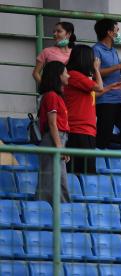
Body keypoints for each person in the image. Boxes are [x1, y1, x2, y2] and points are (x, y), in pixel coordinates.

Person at [64, 45, 121, 174]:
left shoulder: (82, 77)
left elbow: (93, 94)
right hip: (77, 129)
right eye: (92, 58)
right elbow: (99, 88)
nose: (94, 61)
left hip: (87, 130)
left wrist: (110, 87)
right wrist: (97, 69)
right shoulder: (74, 75)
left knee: (87, 171)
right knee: (79, 171)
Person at [93, 19, 121, 150]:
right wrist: (119, 65)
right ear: (110, 32)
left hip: (119, 99)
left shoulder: (113, 51)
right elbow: (96, 74)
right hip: (105, 99)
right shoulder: (96, 49)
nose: (118, 33)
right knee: (104, 136)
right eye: (117, 30)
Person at [35, 61, 71, 203]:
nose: (68, 75)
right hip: (53, 140)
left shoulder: (55, 96)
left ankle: (60, 211)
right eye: (65, 72)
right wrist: (59, 147)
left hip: (57, 139)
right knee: (52, 178)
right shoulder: (51, 96)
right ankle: (49, 211)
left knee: (57, 178)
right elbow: (52, 123)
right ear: (58, 75)